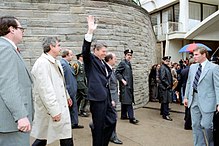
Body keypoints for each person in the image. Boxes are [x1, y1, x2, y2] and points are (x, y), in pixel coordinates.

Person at [31, 37, 73, 146]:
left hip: (60, 105)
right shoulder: (42, 64)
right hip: (51, 109)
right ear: (51, 46)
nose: (60, 48)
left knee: (65, 135)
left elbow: (61, 83)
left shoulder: (56, 62)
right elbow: (45, 90)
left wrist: (67, 96)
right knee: (43, 137)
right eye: (58, 45)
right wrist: (54, 111)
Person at [82, 15, 117, 146]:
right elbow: (85, 50)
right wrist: (90, 31)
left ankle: (103, 142)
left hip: (106, 97)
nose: (105, 53)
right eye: (103, 51)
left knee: (112, 120)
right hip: (97, 98)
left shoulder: (102, 62)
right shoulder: (90, 60)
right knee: (99, 126)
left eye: (105, 51)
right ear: (95, 51)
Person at [0, 16, 33, 146]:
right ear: (11, 29)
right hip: (11, 122)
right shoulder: (5, 49)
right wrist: (20, 115)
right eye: (20, 28)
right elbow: (8, 85)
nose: (22, 31)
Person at [184, 46, 219, 146]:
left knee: (207, 125)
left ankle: (212, 143)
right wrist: (186, 97)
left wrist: (218, 102)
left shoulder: (214, 67)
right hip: (193, 99)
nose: (194, 57)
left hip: (208, 101)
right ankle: (199, 144)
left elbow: (217, 86)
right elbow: (189, 82)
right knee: (195, 125)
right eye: (193, 55)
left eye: (196, 55)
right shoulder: (192, 67)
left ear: (204, 55)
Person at [60, 49, 84, 129]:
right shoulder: (63, 64)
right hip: (68, 90)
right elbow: (61, 78)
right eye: (71, 54)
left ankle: (74, 123)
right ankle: (69, 124)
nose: (72, 56)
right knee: (69, 108)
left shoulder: (68, 64)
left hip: (72, 90)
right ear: (66, 55)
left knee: (74, 107)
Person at [115, 49, 139, 124]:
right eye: (128, 55)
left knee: (125, 100)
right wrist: (122, 80)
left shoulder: (128, 63)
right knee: (128, 101)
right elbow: (117, 72)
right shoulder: (123, 63)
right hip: (125, 85)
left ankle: (123, 115)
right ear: (125, 55)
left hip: (128, 86)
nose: (129, 56)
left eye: (130, 55)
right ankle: (132, 118)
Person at [105, 52, 123, 145]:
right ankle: (112, 136)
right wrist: (111, 99)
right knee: (112, 118)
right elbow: (106, 86)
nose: (116, 60)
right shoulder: (106, 70)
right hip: (110, 98)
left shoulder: (111, 69)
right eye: (114, 58)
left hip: (113, 96)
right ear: (110, 59)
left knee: (108, 117)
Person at [73, 53, 89, 117]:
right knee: (86, 95)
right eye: (82, 57)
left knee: (78, 97)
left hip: (83, 82)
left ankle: (76, 111)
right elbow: (74, 73)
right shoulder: (76, 64)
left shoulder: (83, 64)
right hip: (79, 83)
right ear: (79, 57)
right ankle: (82, 110)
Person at [158, 56, 173, 121]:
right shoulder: (163, 68)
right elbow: (162, 78)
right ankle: (165, 114)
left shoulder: (165, 67)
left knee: (164, 100)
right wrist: (168, 84)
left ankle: (163, 111)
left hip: (165, 86)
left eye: (168, 61)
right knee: (165, 101)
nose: (168, 62)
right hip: (164, 87)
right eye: (166, 61)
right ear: (163, 61)